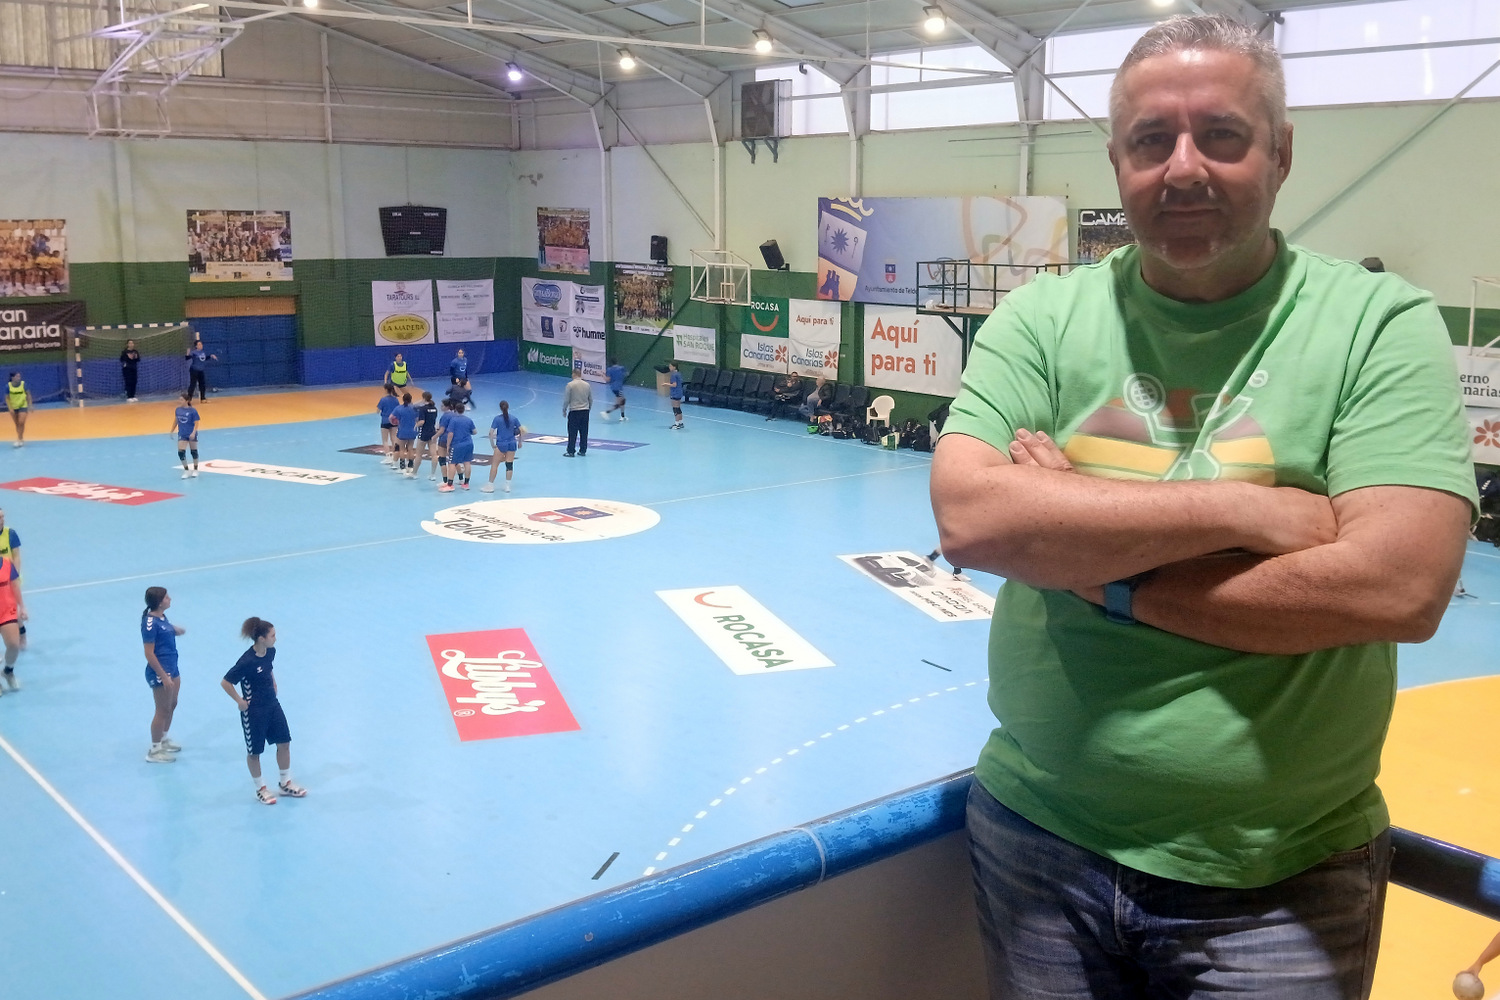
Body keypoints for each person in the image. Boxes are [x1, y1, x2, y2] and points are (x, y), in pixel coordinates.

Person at [928, 16, 1477, 1000]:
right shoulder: (1042, 319)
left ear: (1282, 151)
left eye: (1221, 134)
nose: (1184, 168)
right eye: (1151, 141)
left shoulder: (1378, 327)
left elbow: (1397, 587)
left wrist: (1083, 549)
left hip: (1281, 878)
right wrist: (1246, 512)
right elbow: (973, 519)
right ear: (1117, 161)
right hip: (1039, 842)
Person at [220, 616, 306, 805]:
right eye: (273, 635)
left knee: (284, 742)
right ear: (261, 638)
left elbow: (268, 668)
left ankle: (285, 783)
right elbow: (226, 682)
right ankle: (261, 789)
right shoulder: (246, 662)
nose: (275, 638)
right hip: (254, 712)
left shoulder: (270, 652)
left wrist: (273, 682)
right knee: (254, 752)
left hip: (272, 705)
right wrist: (239, 701)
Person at [140, 586, 183, 763]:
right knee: (162, 710)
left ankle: (163, 738)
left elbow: (164, 627)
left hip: (172, 666)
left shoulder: (162, 617)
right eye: (166, 597)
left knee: (172, 704)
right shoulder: (149, 624)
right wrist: (163, 676)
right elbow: (149, 653)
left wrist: (174, 629)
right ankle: (154, 750)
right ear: (159, 602)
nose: (170, 599)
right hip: (160, 671)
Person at [0, 508, 28, 654]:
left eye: (3, 517)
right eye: (0, 517)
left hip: (9, 579)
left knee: (13, 613)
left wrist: (14, 575)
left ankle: (21, 632)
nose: (2, 520)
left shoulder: (10, 534)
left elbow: (16, 556)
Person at [0, 542, 24, 698]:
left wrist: (23, 607)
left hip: (6, 611)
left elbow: (15, 586)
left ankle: (8, 671)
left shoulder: (7, 565)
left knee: (14, 645)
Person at [483, 400, 523, 493]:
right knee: (509, 465)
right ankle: (507, 486)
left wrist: (492, 444)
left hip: (501, 444)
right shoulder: (514, 418)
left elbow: (491, 433)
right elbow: (521, 430)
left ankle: (490, 485)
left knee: (495, 465)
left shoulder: (497, 419)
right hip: (512, 443)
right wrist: (520, 442)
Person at [439, 401, 476, 492]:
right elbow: (474, 432)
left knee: (452, 463)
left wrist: (448, 445)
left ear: (455, 409)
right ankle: (466, 484)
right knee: (467, 463)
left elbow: (450, 434)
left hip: (457, 444)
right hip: (469, 443)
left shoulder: (454, 420)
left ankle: (450, 484)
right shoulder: (468, 420)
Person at [563, 368, 592, 456]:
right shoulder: (587, 385)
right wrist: (588, 409)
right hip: (585, 411)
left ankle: (571, 451)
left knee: (572, 432)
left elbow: (566, 399)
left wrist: (564, 409)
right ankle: (583, 450)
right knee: (584, 432)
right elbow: (590, 399)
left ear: (574, 374)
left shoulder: (570, 385)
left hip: (574, 411)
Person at [172, 391, 200, 478]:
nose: (180, 401)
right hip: (182, 433)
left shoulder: (192, 411)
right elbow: (176, 420)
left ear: (186, 401)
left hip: (191, 433)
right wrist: (172, 430)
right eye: (179, 400)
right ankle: (186, 470)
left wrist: (193, 432)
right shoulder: (178, 410)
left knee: (194, 452)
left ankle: (195, 469)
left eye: (181, 400)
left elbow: (197, 423)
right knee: (181, 452)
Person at [391, 391, 419, 477]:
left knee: (402, 449)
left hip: (402, 430)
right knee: (410, 448)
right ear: (411, 399)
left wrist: (395, 423)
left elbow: (391, 417)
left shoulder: (398, 408)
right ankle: (410, 466)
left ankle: (402, 467)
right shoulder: (415, 408)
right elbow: (418, 419)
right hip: (412, 430)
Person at [414, 390, 438, 480]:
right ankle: (433, 474)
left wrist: (416, 425)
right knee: (434, 454)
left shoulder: (423, 409)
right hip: (432, 431)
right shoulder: (434, 408)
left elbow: (422, 421)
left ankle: (414, 473)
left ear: (423, 398)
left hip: (424, 432)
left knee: (419, 454)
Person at [376, 384, 399, 466]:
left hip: (385, 420)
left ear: (386, 390)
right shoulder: (395, 400)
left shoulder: (383, 400)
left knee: (385, 440)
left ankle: (388, 457)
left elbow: (377, 411)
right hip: (394, 421)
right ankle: (395, 456)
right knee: (394, 439)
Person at [5, 371, 30, 448]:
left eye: (19, 376)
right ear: (13, 378)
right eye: (17, 376)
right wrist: (10, 408)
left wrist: (30, 405)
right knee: (17, 424)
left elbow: (28, 394)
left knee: (21, 422)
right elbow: (7, 398)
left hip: (23, 405)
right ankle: (21, 438)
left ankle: (19, 439)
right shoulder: (8, 386)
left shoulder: (23, 384)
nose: (19, 378)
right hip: (14, 406)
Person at [667, 361, 684, 430]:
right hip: (679, 392)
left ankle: (677, 424)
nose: (669, 367)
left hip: (675, 393)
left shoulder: (674, 375)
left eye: (670, 366)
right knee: (678, 408)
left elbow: (674, 385)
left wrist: (666, 384)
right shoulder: (678, 374)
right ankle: (681, 422)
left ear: (674, 367)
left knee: (675, 408)